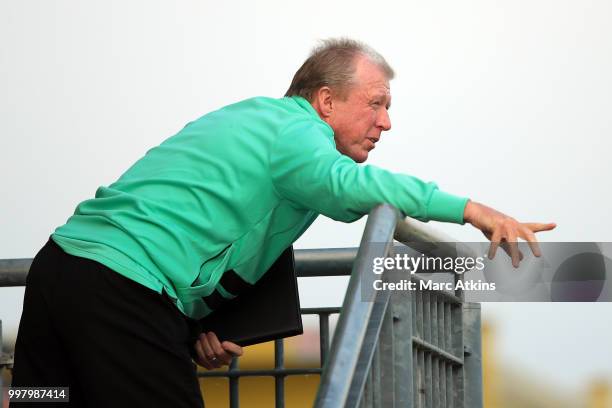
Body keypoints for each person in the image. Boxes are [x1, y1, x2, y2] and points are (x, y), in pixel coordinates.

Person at [10, 38, 555, 407]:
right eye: (376, 104)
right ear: (324, 101)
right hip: (121, 291)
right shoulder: (298, 138)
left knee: (44, 400)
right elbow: (355, 186)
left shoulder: (253, 121)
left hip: (61, 270)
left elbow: (196, 220)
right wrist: (474, 211)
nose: (386, 122)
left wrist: (195, 326)